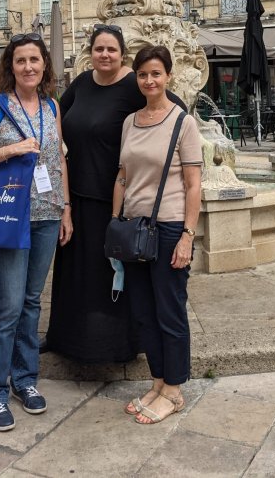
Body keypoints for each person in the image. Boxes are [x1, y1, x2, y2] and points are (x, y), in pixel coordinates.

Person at [46, 25, 185, 364]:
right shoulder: (81, 83)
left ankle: (110, 347)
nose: (104, 55)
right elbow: (54, 120)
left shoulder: (134, 84)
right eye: (98, 49)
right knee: (75, 277)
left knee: (111, 277)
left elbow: (175, 114)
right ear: (89, 53)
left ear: (122, 53)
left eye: (111, 49)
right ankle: (66, 339)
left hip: (116, 201)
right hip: (76, 197)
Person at [0, 33, 72, 432]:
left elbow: (57, 160)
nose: (28, 66)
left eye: (35, 60)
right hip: (7, 217)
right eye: (21, 60)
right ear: (11, 65)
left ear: (45, 65)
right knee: (8, 305)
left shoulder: (51, 106)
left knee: (30, 302)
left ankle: (24, 381)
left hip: (46, 215)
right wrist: (9, 150)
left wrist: (66, 209)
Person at [115, 44, 202, 425]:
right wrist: (114, 221)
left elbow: (193, 184)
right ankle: (157, 382)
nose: (149, 80)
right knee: (144, 314)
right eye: (143, 74)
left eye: (156, 73)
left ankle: (174, 390)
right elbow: (123, 175)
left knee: (169, 311)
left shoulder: (183, 122)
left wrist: (187, 235)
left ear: (168, 76)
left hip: (167, 228)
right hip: (134, 230)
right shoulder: (130, 121)